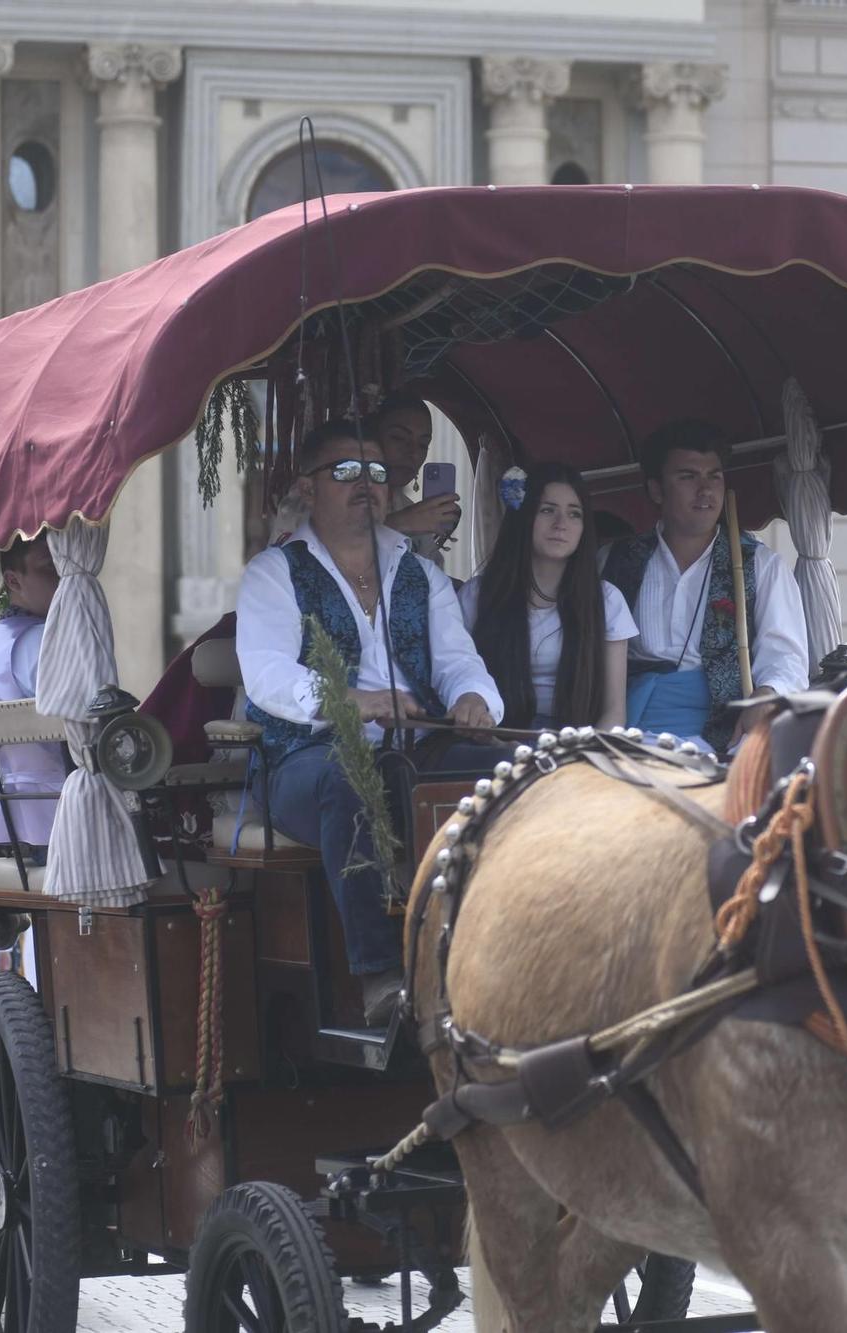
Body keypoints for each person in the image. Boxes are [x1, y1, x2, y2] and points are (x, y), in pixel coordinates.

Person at [236, 417, 501, 1024]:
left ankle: (504, 947)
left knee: (507, 772)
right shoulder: (275, 572)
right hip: (304, 756)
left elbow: (460, 662)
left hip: (414, 746)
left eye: (377, 472)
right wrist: (352, 701)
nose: (367, 483)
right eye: (347, 470)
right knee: (351, 779)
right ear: (308, 488)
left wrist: (475, 701)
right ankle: (380, 974)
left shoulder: (420, 573)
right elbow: (268, 674)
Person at [598, 420, 809, 753]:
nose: (705, 489)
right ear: (656, 490)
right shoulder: (613, 561)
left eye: (715, 476)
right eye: (687, 477)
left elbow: (786, 659)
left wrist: (766, 695)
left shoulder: (759, 564)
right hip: (628, 726)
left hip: (725, 732)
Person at [459, 463, 636, 731]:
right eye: (547, 510)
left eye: (574, 514)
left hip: (576, 745)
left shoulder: (607, 600)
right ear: (524, 517)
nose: (561, 524)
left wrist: (585, 758)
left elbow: (613, 713)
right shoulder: (477, 595)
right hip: (495, 740)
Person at [0, 533, 66, 850]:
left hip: (8, 817)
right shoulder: (40, 642)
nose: (63, 577)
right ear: (13, 580)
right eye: (50, 568)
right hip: (59, 816)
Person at [371, 391, 462, 561]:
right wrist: (400, 523)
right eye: (398, 438)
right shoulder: (336, 497)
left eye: (422, 444)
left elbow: (430, 574)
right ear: (372, 437)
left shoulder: (410, 509)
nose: (412, 452)